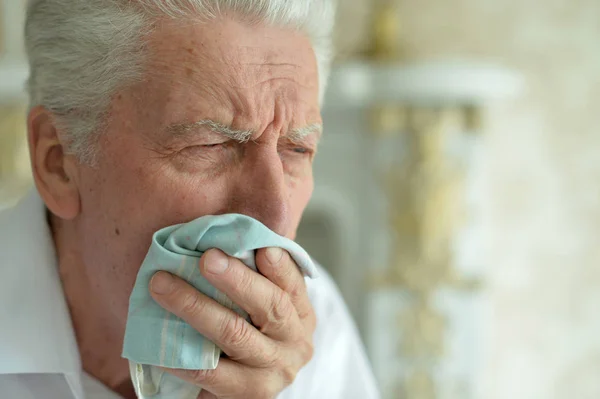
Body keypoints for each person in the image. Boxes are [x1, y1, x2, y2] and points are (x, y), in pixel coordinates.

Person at [0, 1, 380, 398]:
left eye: (297, 149)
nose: (275, 216)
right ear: (58, 162)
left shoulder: (314, 326)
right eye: (210, 144)